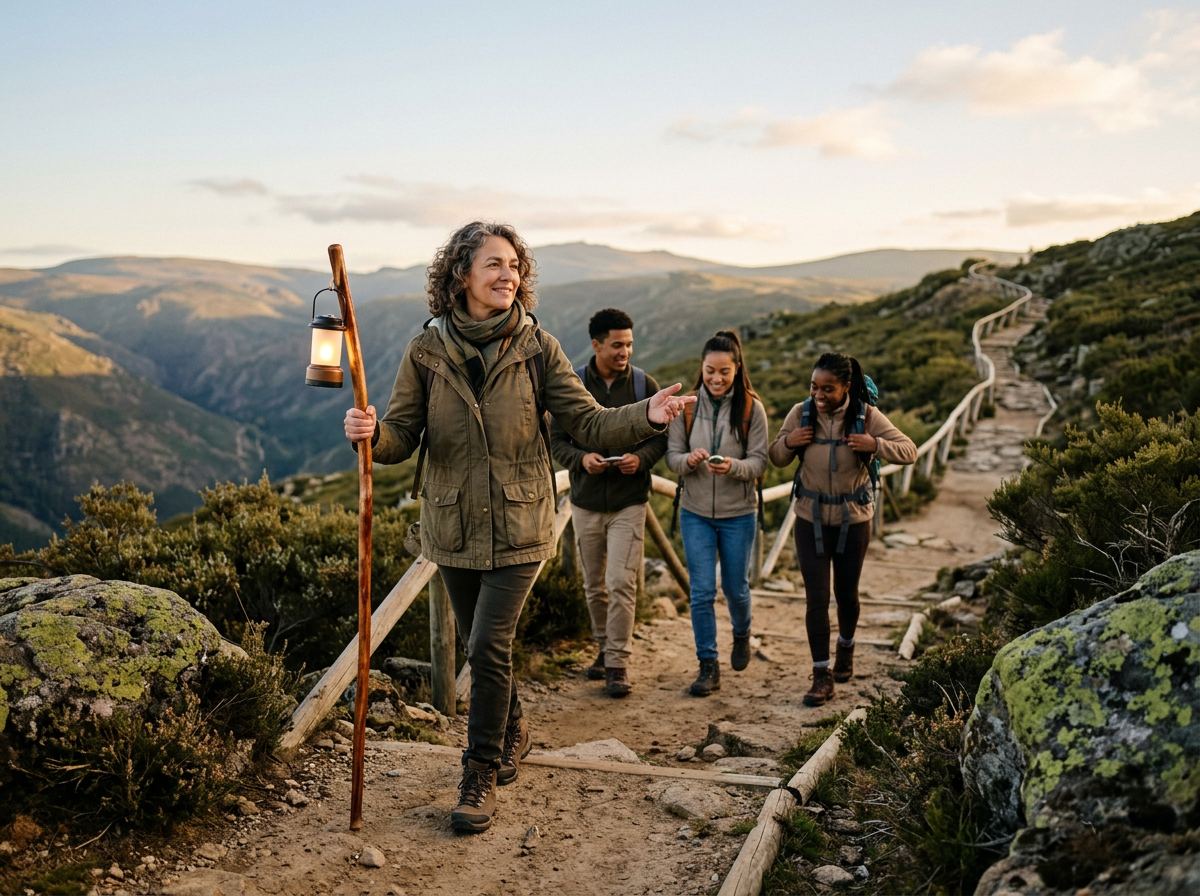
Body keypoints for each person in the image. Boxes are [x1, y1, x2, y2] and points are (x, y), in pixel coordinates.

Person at [343, 222, 694, 834]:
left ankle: (477, 773)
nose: (509, 275)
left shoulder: (538, 348)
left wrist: (647, 414)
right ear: (461, 276)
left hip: (521, 522)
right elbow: (402, 437)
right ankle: (512, 726)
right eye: (494, 265)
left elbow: (587, 423)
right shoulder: (425, 352)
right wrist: (372, 435)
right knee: (490, 648)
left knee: (485, 646)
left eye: (515, 266)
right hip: (452, 526)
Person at [768, 352, 916, 707]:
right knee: (816, 599)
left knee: (847, 594)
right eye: (814, 386)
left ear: (847, 388)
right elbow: (775, 456)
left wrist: (875, 445)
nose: (819, 395)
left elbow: (909, 450)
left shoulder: (867, 417)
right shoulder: (801, 413)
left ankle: (845, 650)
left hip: (854, 520)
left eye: (828, 389)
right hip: (810, 518)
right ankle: (822, 675)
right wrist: (789, 443)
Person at [550, 308, 667, 698]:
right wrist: (580, 460)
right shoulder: (573, 384)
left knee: (621, 582)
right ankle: (603, 648)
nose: (625, 352)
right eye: (618, 345)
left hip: (629, 501)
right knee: (593, 586)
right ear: (596, 344)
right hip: (584, 501)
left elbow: (661, 437)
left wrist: (642, 459)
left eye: (629, 344)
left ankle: (617, 663)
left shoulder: (642, 384)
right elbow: (556, 441)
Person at [665, 330, 768, 697]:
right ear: (702, 368)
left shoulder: (751, 409)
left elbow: (759, 462)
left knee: (736, 589)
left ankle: (742, 634)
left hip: (739, 513)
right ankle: (708, 665)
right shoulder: (685, 407)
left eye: (724, 371)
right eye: (710, 370)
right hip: (695, 513)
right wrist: (688, 460)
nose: (716, 378)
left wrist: (734, 467)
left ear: (737, 370)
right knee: (702, 591)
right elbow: (672, 457)